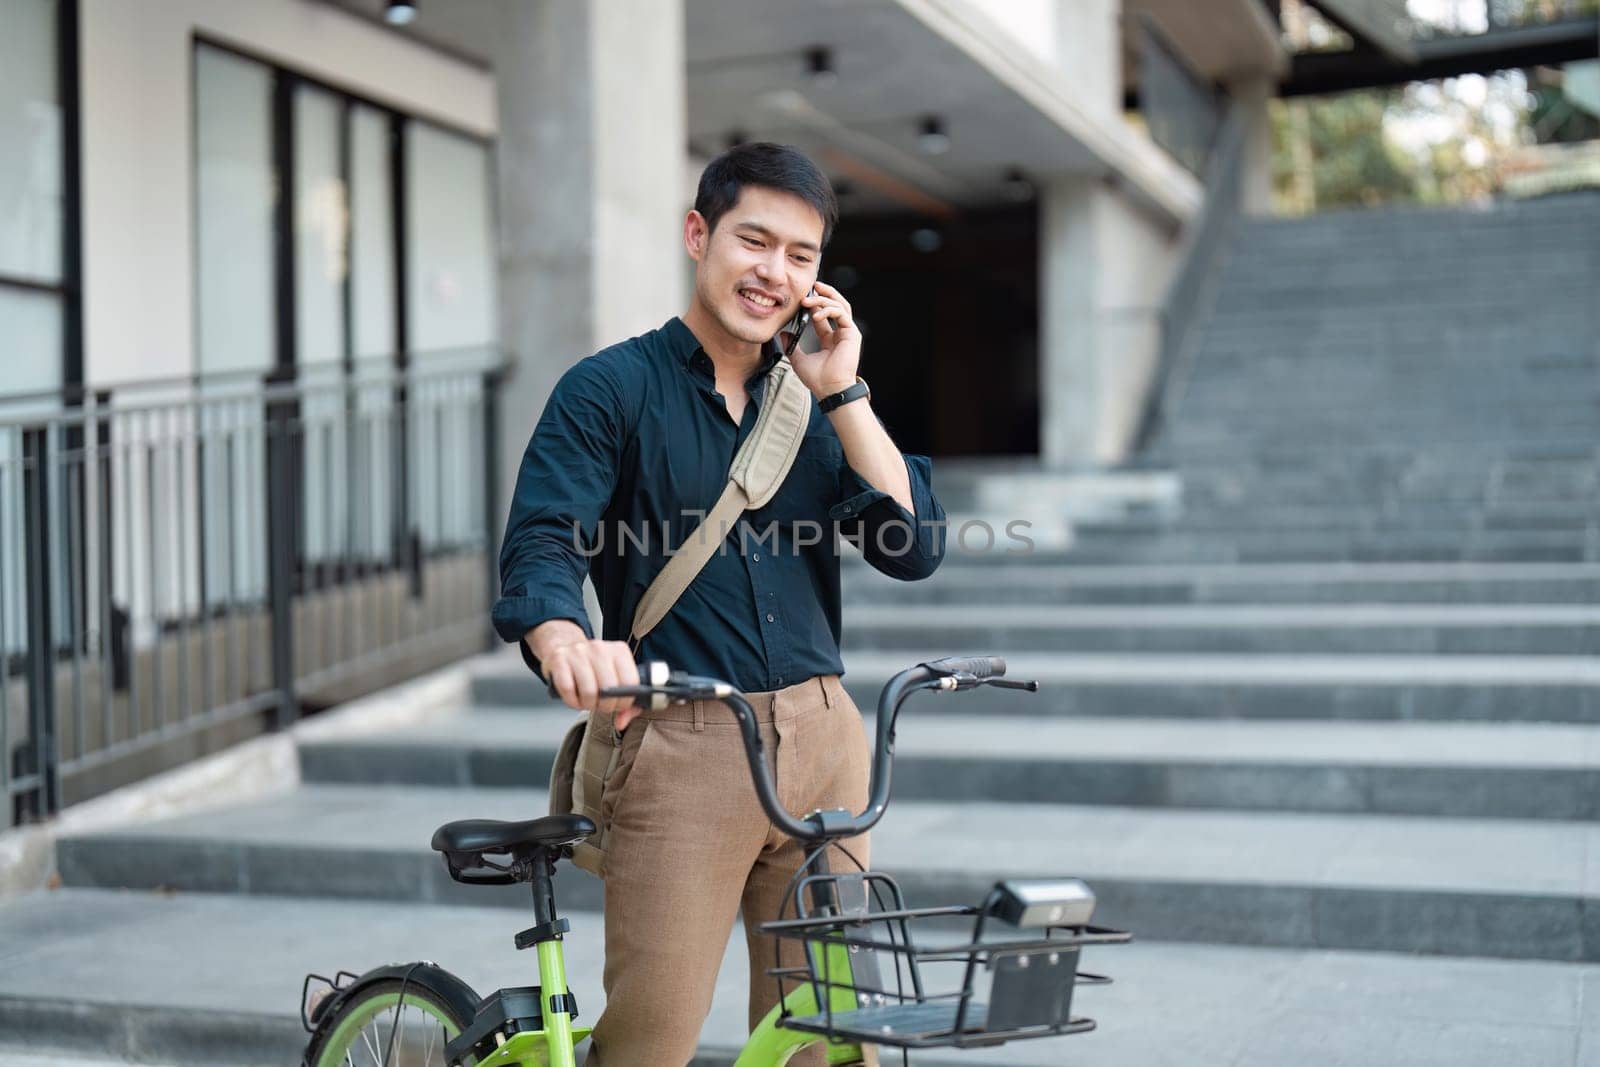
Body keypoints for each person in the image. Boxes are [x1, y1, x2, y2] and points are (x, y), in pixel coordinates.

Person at [492, 142, 945, 1066]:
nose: (774, 272)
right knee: (651, 1037)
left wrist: (846, 391)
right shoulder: (610, 389)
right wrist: (563, 633)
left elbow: (913, 548)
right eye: (755, 240)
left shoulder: (814, 404)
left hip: (824, 746)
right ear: (699, 235)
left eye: (801, 255)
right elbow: (543, 539)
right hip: (684, 743)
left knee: (823, 1039)